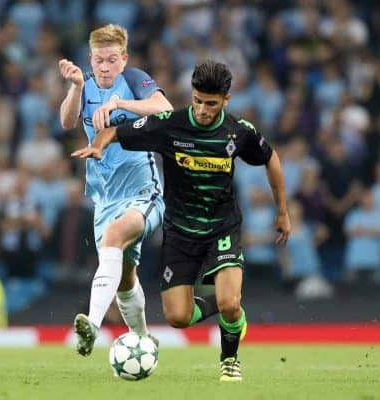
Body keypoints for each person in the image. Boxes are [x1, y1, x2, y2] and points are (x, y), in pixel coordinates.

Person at [72, 60, 291, 381]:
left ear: (225, 101)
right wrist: (98, 146)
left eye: (211, 104)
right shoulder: (168, 125)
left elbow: (270, 158)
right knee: (178, 317)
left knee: (231, 304)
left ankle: (229, 359)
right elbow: (115, 130)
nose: (202, 109)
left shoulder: (238, 131)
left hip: (221, 227)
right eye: (198, 100)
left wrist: (282, 211)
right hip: (180, 231)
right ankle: (228, 305)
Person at [58, 24, 173, 356]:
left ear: (123, 59)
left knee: (113, 238)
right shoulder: (87, 86)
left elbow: (164, 109)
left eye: (111, 60)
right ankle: (143, 338)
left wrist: (122, 103)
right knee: (124, 278)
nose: (105, 67)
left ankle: (91, 325)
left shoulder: (135, 80)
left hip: (144, 192)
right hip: (104, 198)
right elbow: (67, 122)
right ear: (90, 60)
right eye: (98, 61)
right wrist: (76, 87)